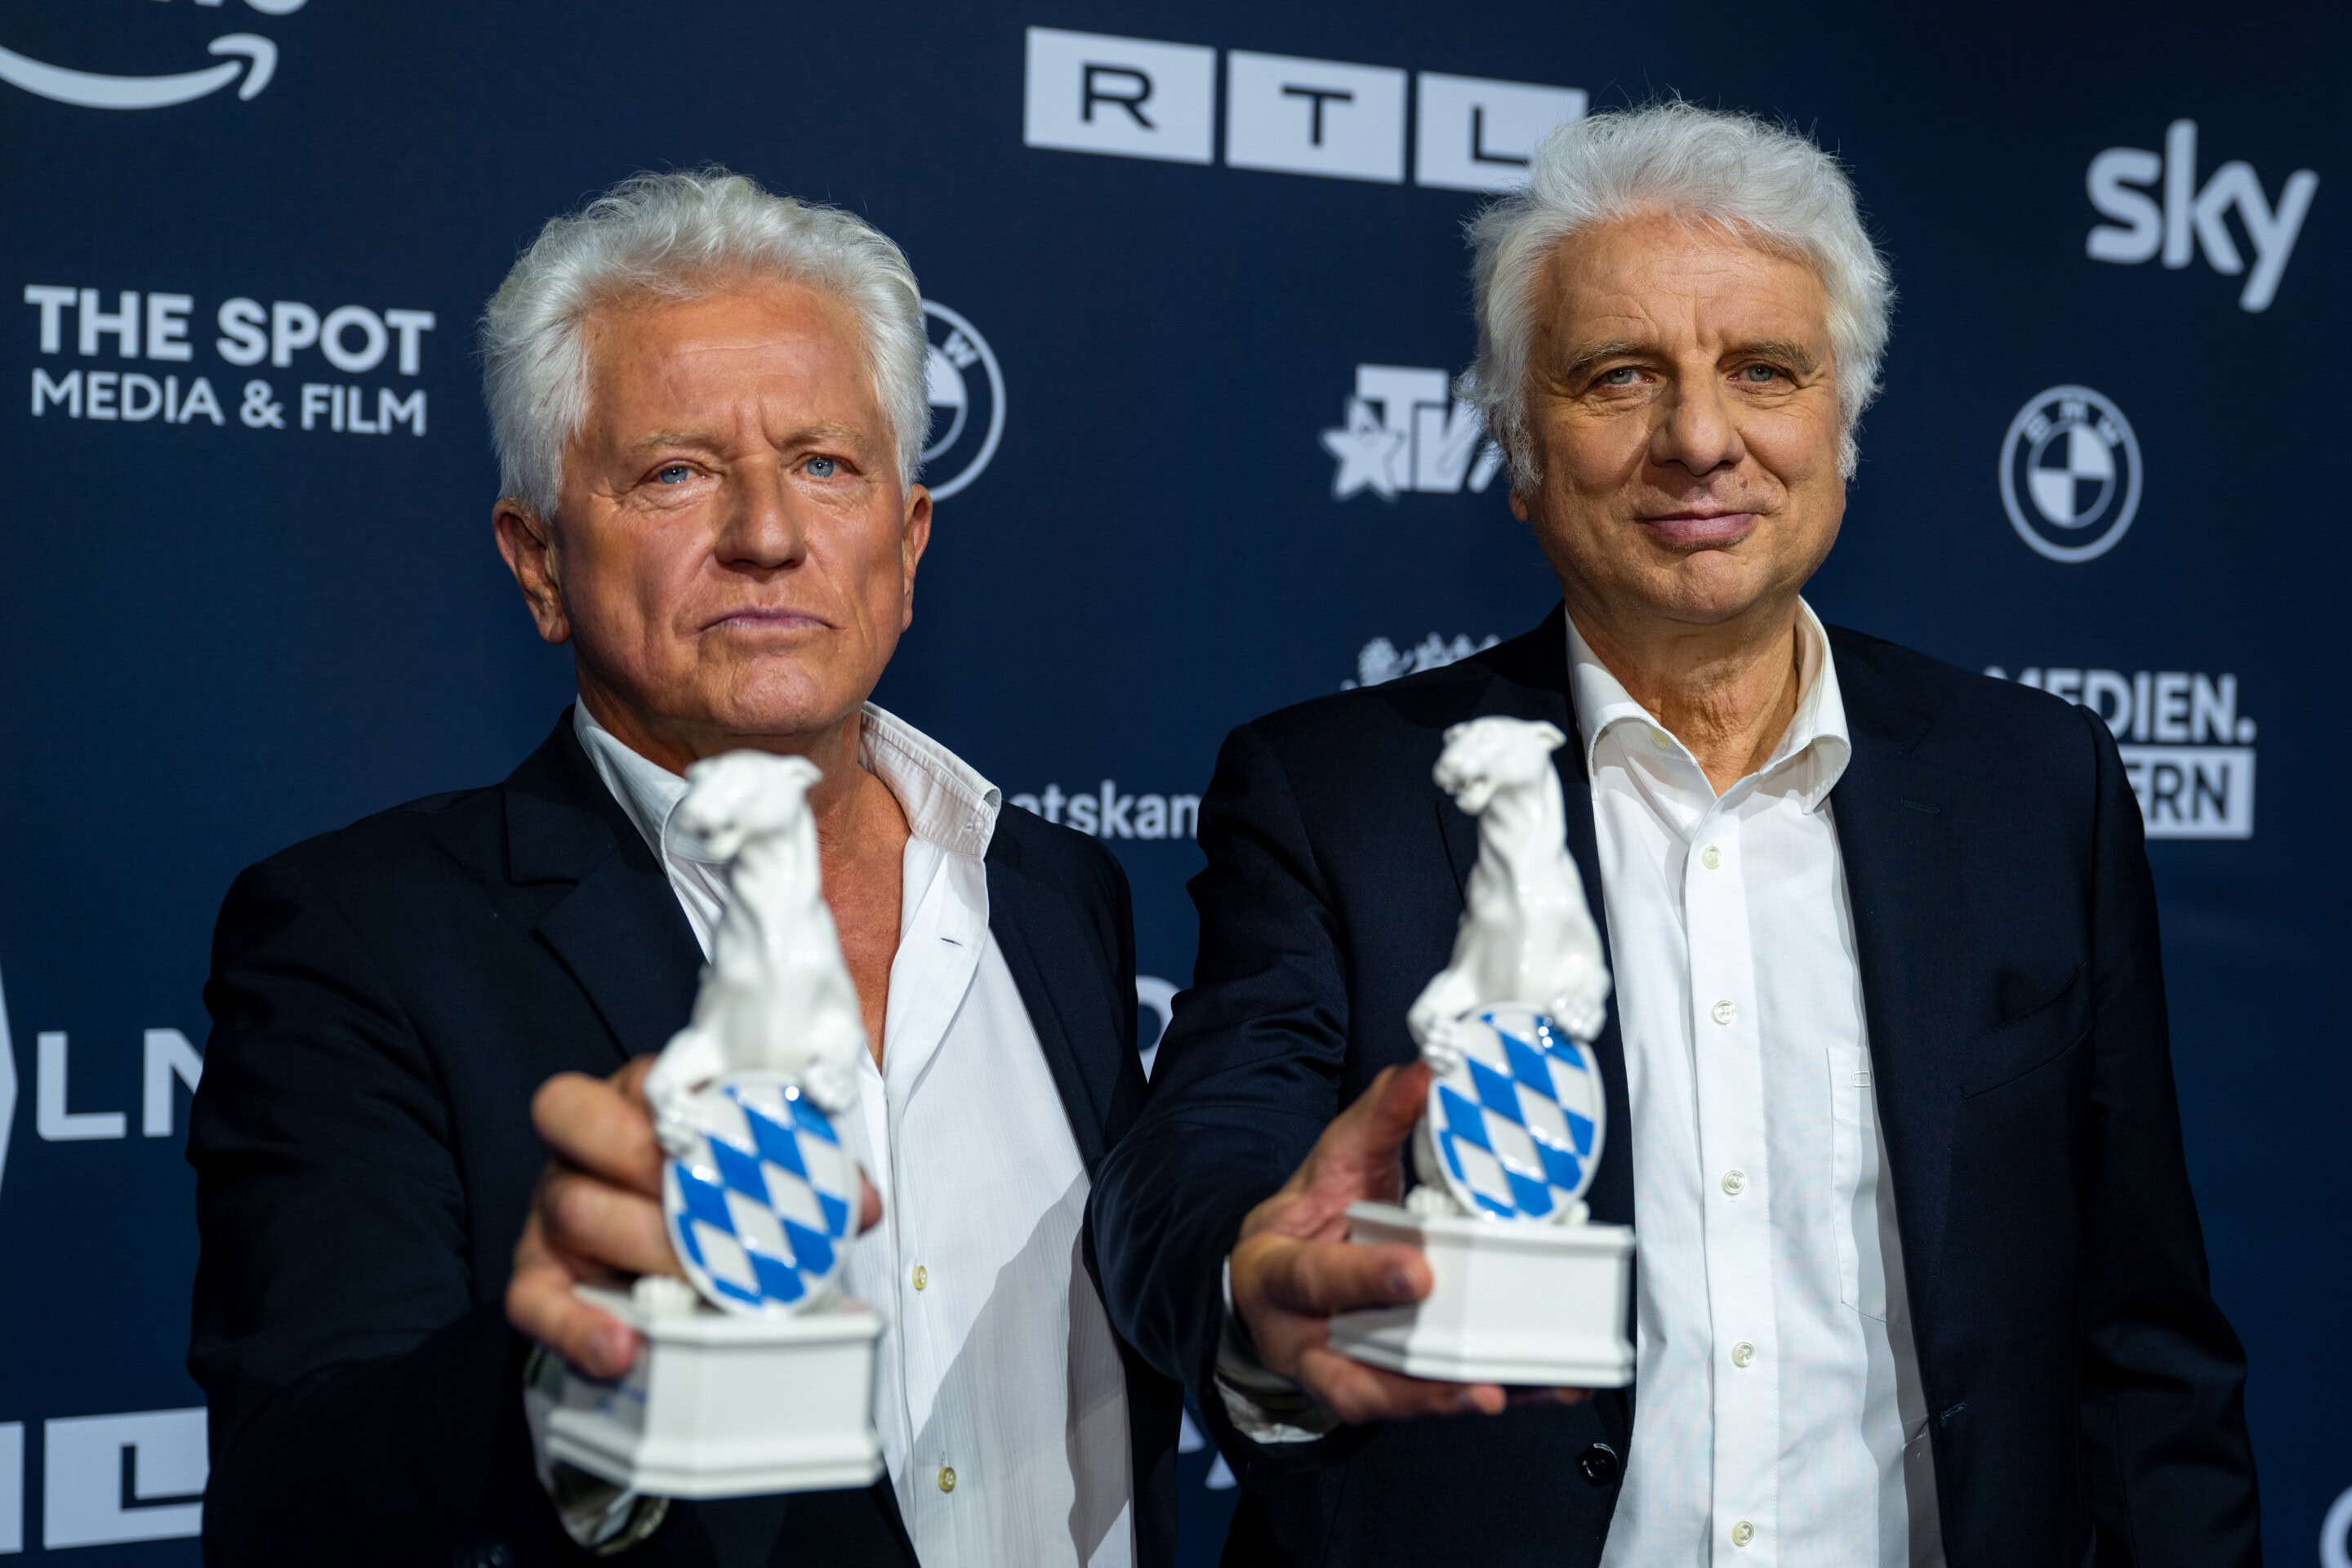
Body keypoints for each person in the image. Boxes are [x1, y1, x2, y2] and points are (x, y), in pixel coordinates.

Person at [1087, 104, 2259, 1566]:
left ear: (1841, 423)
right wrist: (1255, 1282)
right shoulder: (1338, 794)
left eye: (1764, 371)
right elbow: (1203, 1150)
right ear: (1520, 453)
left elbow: (2142, 1335)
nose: (1701, 440)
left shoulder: (2040, 785)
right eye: (1619, 377)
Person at [189, 169, 1175, 1567]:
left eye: (827, 464)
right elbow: (298, 1497)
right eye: (677, 471)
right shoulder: (361, 939)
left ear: (907, 544)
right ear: (537, 563)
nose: (768, 532)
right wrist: (567, 1367)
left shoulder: (1062, 895)